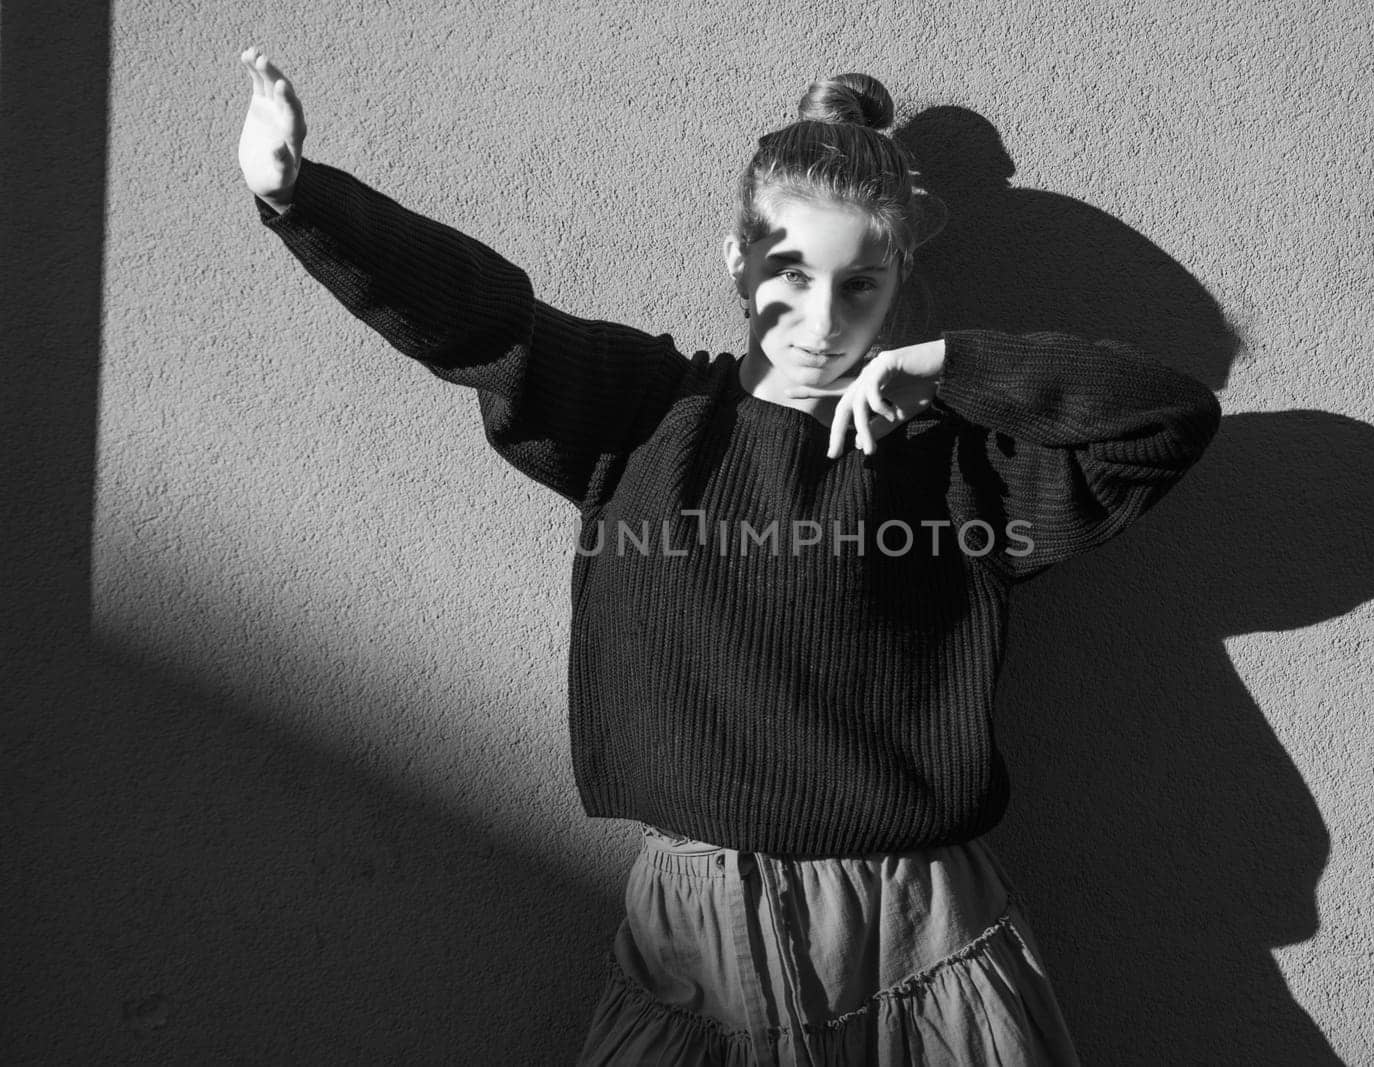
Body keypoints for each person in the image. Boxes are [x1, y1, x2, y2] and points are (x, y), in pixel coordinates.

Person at [237, 46, 1221, 1065]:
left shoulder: (956, 472)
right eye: (788, 272)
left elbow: (1166, 420)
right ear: (735, 263)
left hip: (919, 933)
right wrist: (298, 197)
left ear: (897, 285)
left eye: (860, 285)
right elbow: (483, 320)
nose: (820, 319)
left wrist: (952, 366)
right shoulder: (645, 414)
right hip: (697, 942)